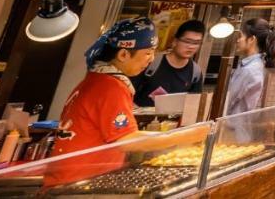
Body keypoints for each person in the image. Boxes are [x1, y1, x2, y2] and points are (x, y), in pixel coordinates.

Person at [50, 17, 158, 180]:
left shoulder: (95, 79)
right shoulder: (111, 87)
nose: (152, 59)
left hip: (70, 178)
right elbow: (127, 141)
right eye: (148, 53)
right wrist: (186, 135)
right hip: (81, 183)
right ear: (123, 54)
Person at [132, 19, 205, 107]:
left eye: (196, 43)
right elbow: (127, 91)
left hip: (172, 120)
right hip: (139, 118)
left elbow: (193, 106)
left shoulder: (196, 72)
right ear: (174, 41)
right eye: (187, 41)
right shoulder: (151, 62)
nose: (191, 46)